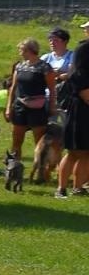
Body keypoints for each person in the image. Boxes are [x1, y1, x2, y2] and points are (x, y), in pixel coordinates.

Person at [4, 38, 55, 176]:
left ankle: (41, 171)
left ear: (30, 50)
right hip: (20, 106)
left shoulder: (44, 67)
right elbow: (13, 88)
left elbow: (52, 89)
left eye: (21, 49)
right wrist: (9, 107)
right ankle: (14, 168)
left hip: (37, 107)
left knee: (39, 142)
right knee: (17, 140)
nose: (20, 52)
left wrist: (52, 106)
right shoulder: (20, 66)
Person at [56, 40, 89, 198]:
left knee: (81, 153)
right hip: (81, 115)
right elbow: (87, 96)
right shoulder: (81, 75)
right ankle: (66, 188)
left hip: (81, 114)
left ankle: (75, 187)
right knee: (77, 153)